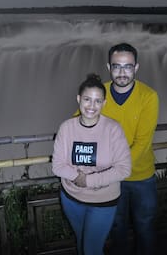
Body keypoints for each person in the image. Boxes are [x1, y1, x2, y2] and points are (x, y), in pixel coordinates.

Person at [52, 73, 132, 255]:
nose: (92, 106)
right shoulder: (67, 128)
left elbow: (124, 169)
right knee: (81, 244)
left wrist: (88, 181)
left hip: (103, 200)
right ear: (79, 99)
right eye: (87, 99)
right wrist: (77, 178)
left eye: (97, 101)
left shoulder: (113, 129)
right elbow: (57, 165)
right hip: (72, 198)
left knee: (91, 250)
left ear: (104, 103)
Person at [104, 43, 159, 255]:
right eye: (117, 67)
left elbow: (142, 143)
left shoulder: (149, 97)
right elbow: (80, 118)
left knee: (144, 227)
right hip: (112, 178)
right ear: (108, 66)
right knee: (117, 228)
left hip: (141, 177)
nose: (122, 73)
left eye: (127, 67)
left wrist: (111, 170)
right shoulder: (101, 93)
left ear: (136, 68)